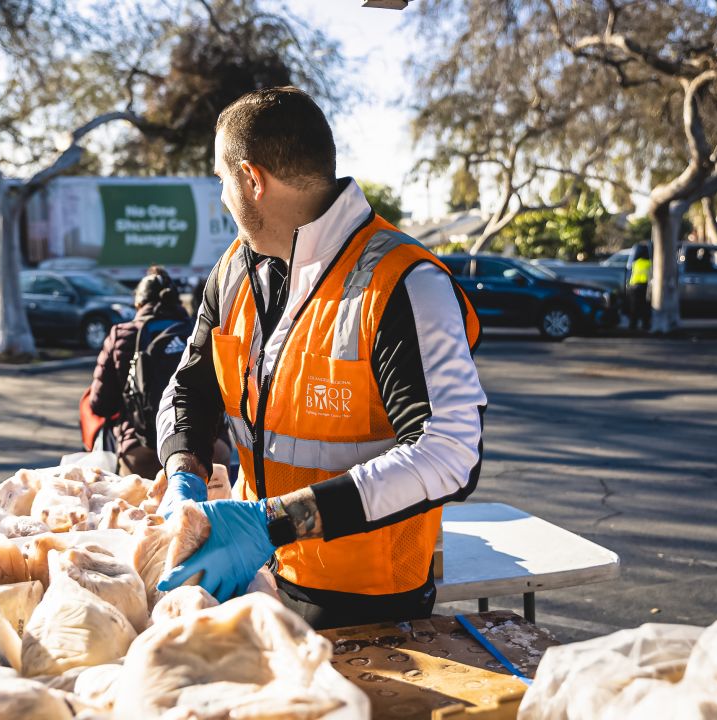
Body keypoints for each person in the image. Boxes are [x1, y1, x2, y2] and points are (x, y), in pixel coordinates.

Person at [153, 87, 487, 630]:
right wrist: (182, 470)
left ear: (251, 180)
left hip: (371, 604)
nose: (221, 198)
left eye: (221, 181)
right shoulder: (234, 270)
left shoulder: (404, 281)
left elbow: (450, 451)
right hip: (259, 576)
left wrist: (274, 521)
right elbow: (189, 386)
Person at [86, 267, 198, 479]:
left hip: (140, 449)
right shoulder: (197, 331)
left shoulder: (121, 335)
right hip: (200, 449)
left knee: (139, 511)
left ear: (138, 303)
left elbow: (100, 404)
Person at [626, 242, 652, 332]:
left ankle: (632, 326)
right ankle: (645, 325)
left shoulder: (635, 263)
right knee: (645, 307)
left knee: (634, 308)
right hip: (644, 287)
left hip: (633, 287)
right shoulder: (650, 263)